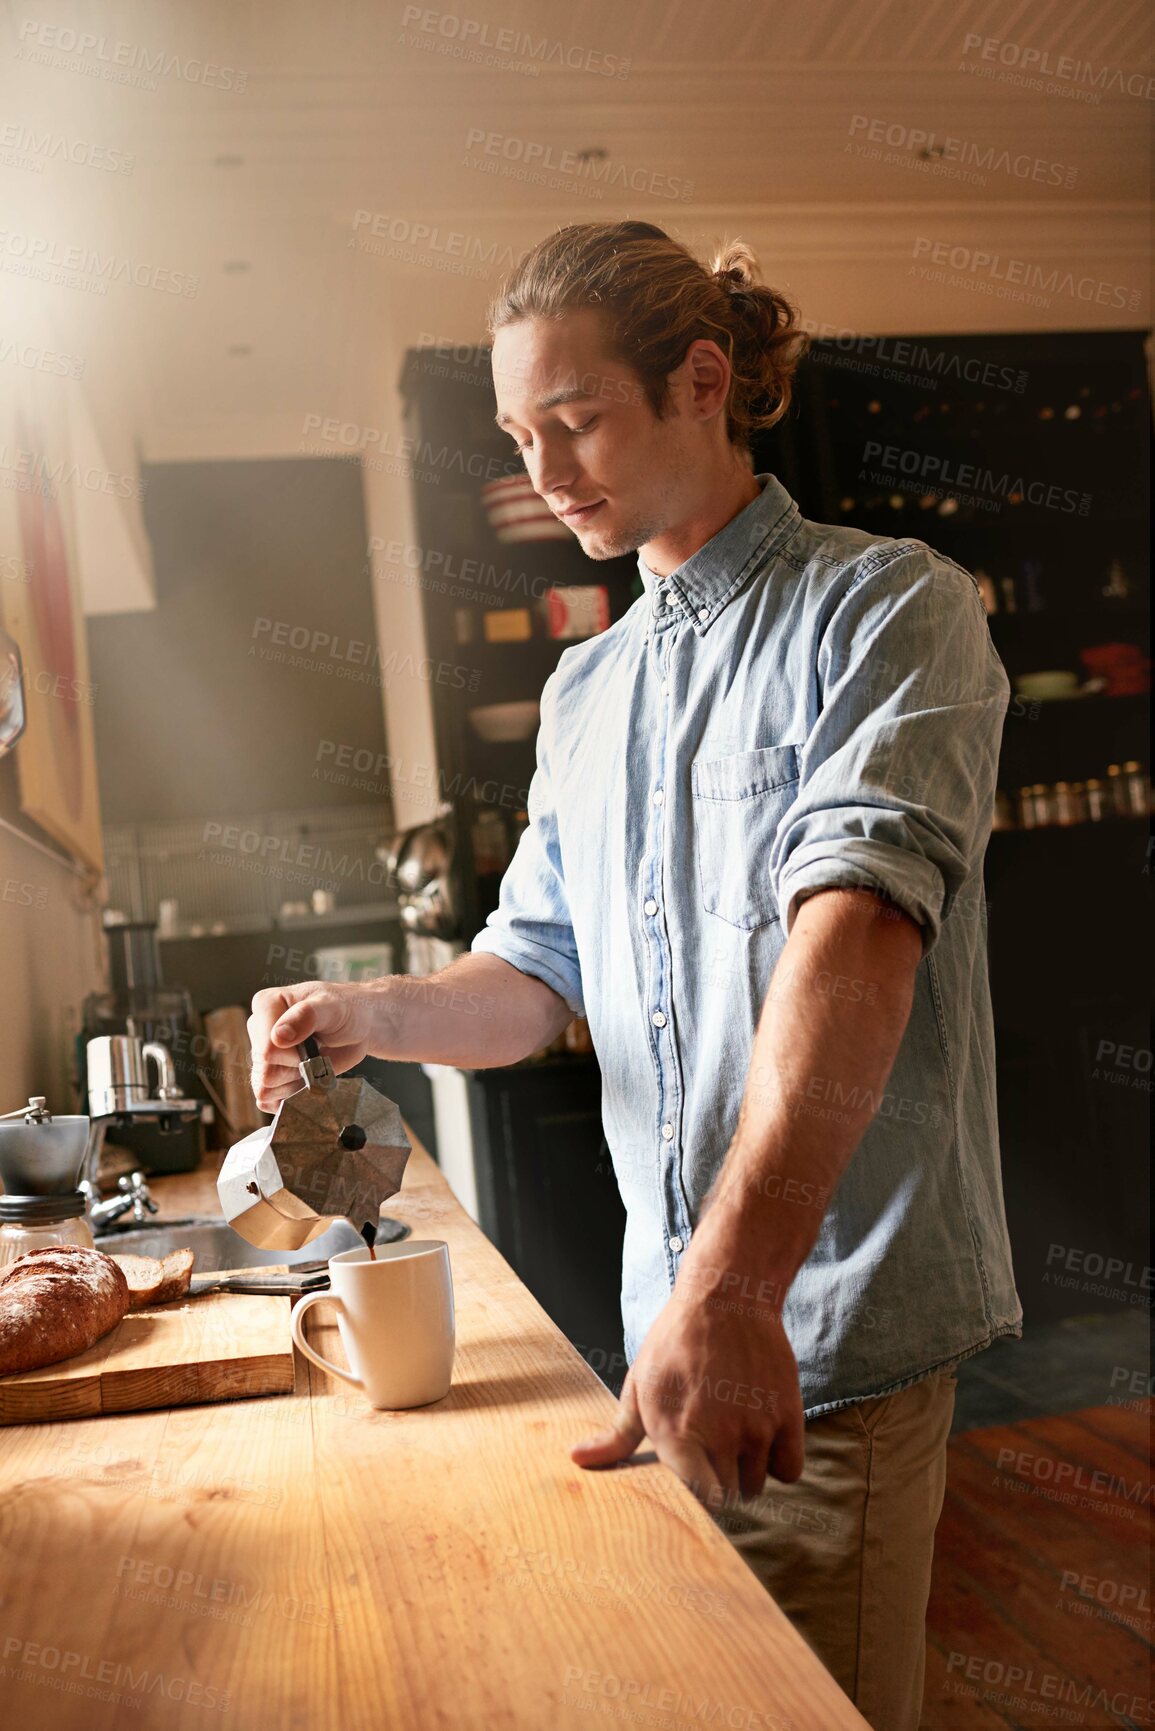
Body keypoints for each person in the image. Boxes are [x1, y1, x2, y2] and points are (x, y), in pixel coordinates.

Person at [248, 220, 1021, 1730]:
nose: (545, 468)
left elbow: (855, 935)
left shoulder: (888, 609)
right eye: (519, 435)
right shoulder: (587, 686)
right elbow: (532, 976)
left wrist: (735, 1296)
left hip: (821, 1340)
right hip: (669, 1335)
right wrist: (372, 1016)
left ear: (702, 381)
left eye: (578, 418)